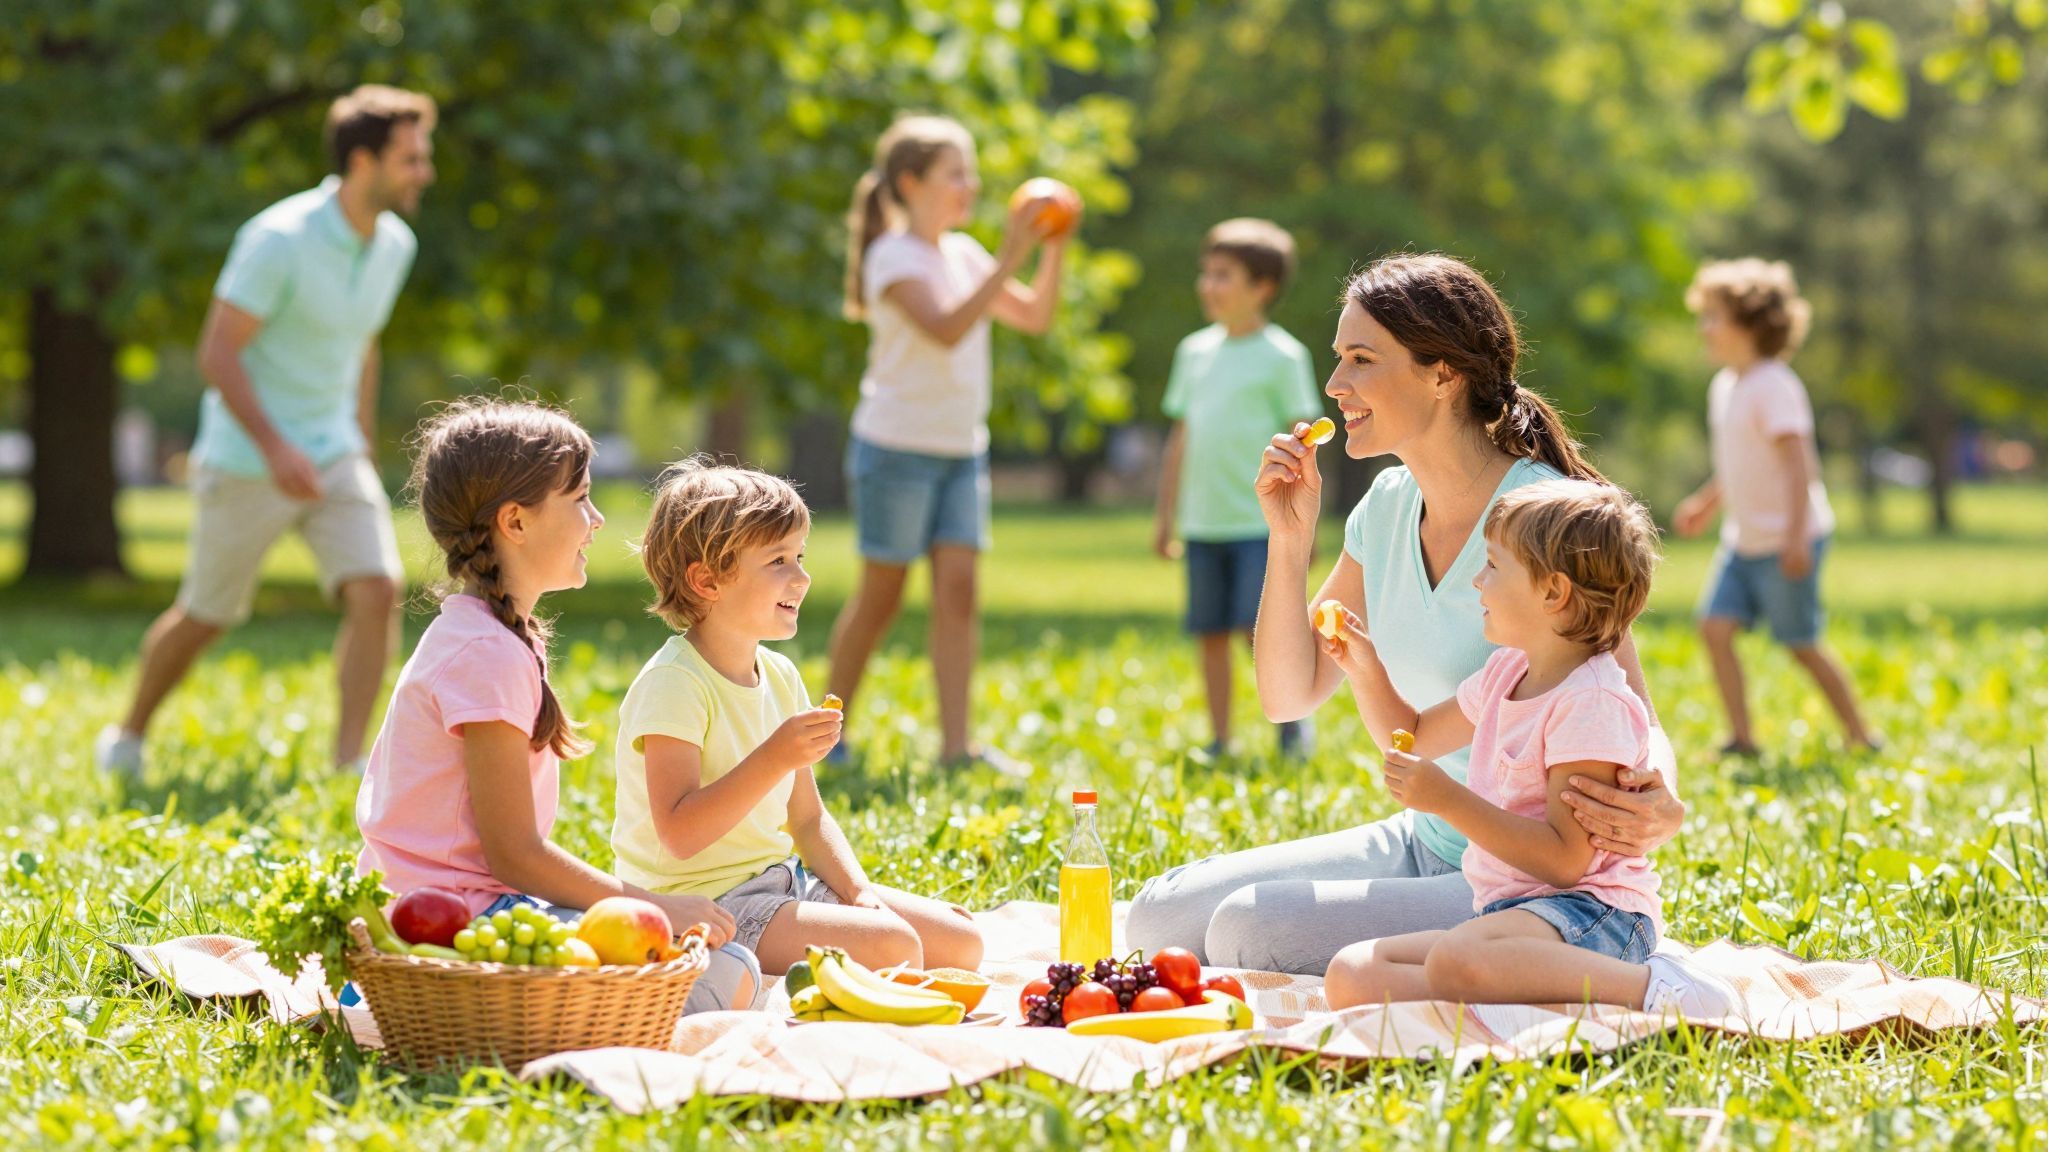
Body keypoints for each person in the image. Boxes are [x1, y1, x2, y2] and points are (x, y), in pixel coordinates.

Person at [1128, 255, 1713, 1005]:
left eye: (1361, 361)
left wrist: (1660, 796)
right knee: (1156, 917)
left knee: (1245, 930)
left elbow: (1625, 701)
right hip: (1426, 841)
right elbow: (1288, 695)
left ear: (1443, 373)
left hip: (1524, 876)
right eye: (1339, 359)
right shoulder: (1388, 504)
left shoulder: (1543, 519)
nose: (1336, 385)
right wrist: (1288, 539)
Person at [353, 400, 757, 1014]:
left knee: (728, 966)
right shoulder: (486, 654)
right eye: (580, 499)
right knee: (726, 971)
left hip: (459, 912)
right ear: (515, 521)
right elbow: (513, 853)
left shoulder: (489, 635)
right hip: (450, 932)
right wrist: (651, 905)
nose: (596, 520)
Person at [98, 85, 437, 777]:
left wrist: (361, 438)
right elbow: (217, 352)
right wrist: (276, 447)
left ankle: (349, 764)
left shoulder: (395, 245)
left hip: (334, 450)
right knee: (208, 614)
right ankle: (128, 734)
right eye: (410, 158)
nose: (424, 172)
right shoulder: (279, 239)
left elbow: (363, 343)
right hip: (248, 457)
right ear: (364, 160)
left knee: (377, 589)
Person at [1321, 480, 1737, 1016]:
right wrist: (1364, 666)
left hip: (1594, 917)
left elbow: (1565, 862)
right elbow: (1417, 733)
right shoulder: (1506, 673)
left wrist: (1448, 800)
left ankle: (1656, 990)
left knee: (1454, 962)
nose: (1477, 580)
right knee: (1353, 974)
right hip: (1513, 915)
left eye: (1492, 565)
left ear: (1553, 593)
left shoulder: (1590, 702)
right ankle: (1521, 999)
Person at [613, 459, 984, 976]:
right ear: (707, 580)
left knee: (964, 943)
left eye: (800, 556)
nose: (802, 577)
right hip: (706, 907)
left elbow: (807, 820)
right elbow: (677, 833)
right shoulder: (675, 683)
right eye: (778, 561)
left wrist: (860, 894)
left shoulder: (781, 675)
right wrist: (774, 758)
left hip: (782, 882)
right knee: (896, 949)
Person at [824, 114, 1069, 775]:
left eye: (972, 173)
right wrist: (1013, 252)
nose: (971, 185)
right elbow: (947, 328)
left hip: (963, 449)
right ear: (910, 182)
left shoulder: (963, 252)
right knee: (882, 596)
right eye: (955, 173)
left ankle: (957, 749)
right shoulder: (892, 257)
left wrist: (1053, 246)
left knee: (958, 591)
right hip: (896, 447)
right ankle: (827, 735)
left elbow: (1035, 316)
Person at [1674, 258, 1878, 755]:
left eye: (1714, 317)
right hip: (1743, 540)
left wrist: (1795, 535)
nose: (1705, 328)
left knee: (1800, 643)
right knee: (1714, 627)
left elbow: (1797, 468)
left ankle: (1861, 734)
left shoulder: (1775, 385)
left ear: (1751, 324)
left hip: (1789, 537)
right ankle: (1742, 738)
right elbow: (1740, 463)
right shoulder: (1725, 387)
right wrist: (1707, 503)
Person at [1152, 219, 1324, 757]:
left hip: (1259, 524)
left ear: (1262, 287)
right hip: (1204, 522)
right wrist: (1166, 518)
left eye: (1223, 275)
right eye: (1206, 273)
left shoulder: (1284, 356)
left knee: (1258, 630)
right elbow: (1180, 439)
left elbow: (1306, 441)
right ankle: (1221, 737)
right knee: (1208, 631)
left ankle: (1290, 722)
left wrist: (1304, 522)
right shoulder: (1193, 352)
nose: (1208, 285)